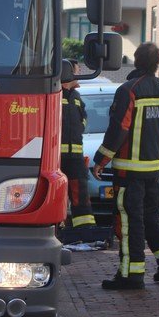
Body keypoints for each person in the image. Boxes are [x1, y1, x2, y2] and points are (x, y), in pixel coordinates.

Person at [92, 42, 159, 290]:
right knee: (151, 216)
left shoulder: (128, 90)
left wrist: (100, 159)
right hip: (153, 168)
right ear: (157, 63)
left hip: (128, 171)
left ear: (136, 60)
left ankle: (131, 275)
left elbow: (119, 129)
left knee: (129, 221)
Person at [60, 60, 95, 229]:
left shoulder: (76, 96)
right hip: (56, 157)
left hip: (76, 156)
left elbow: (83, 120)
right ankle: (58, 229)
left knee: (80, 195)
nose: (79, 75)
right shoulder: (55, 94)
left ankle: (84, 230)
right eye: (76, 71)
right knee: (56, 195)